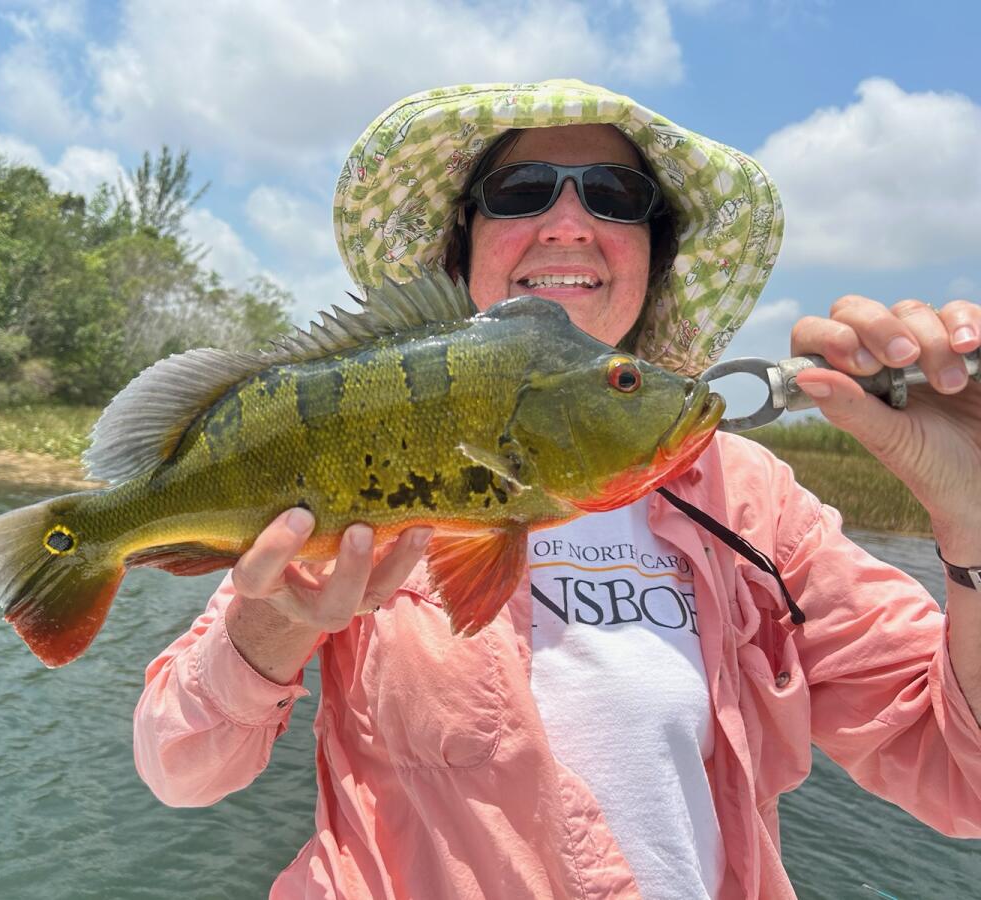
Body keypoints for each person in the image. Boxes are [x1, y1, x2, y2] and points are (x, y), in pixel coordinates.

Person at [132, 80, 981, 899]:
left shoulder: (754, 500)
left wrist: (973, 517)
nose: (568, 221)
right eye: (521, 190)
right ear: (464, 243)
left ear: (655, 252)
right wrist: (272, 620)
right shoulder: (354, 442)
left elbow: (960, 773)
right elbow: (180, 766)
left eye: (615, 196)